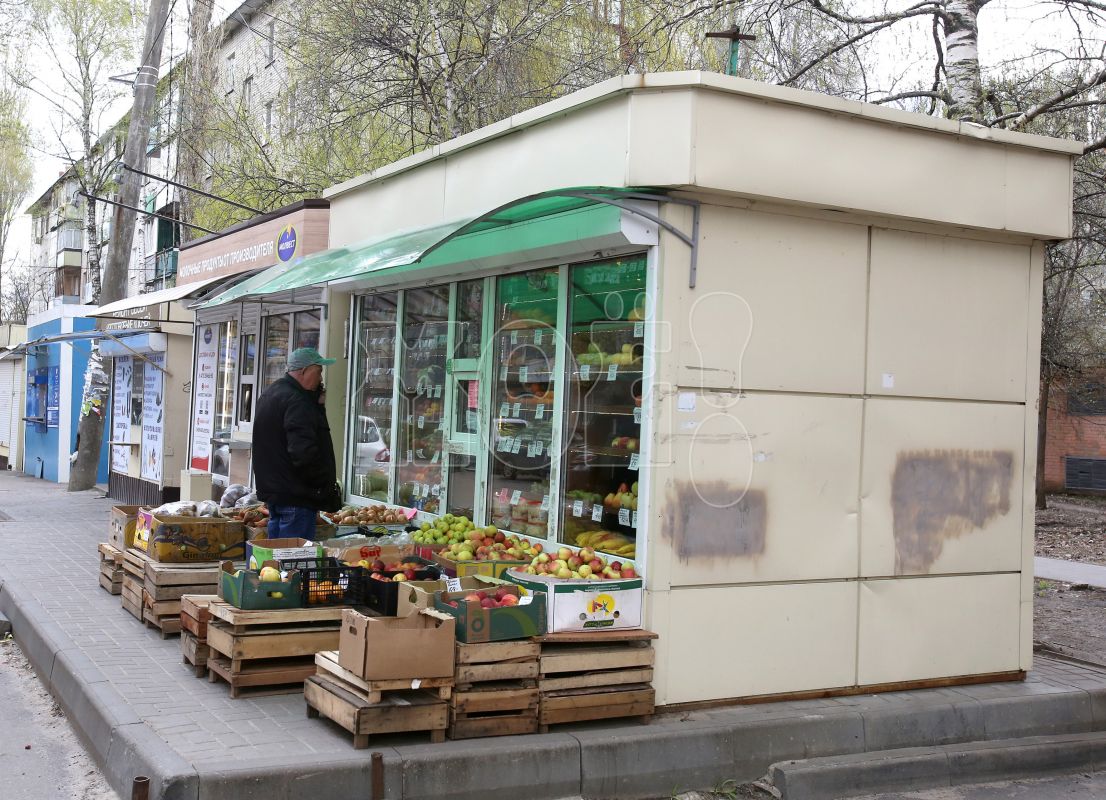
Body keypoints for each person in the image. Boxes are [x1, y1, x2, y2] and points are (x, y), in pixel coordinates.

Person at [253, 347, 342, 537]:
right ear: (304, 371)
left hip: (276, 492)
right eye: (318, 371)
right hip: (296, 495)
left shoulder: (272, 393)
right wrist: (321, 486)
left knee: (276, 559)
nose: (320, 378)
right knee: (294, 560)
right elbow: (303, 452)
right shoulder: (298, 401)